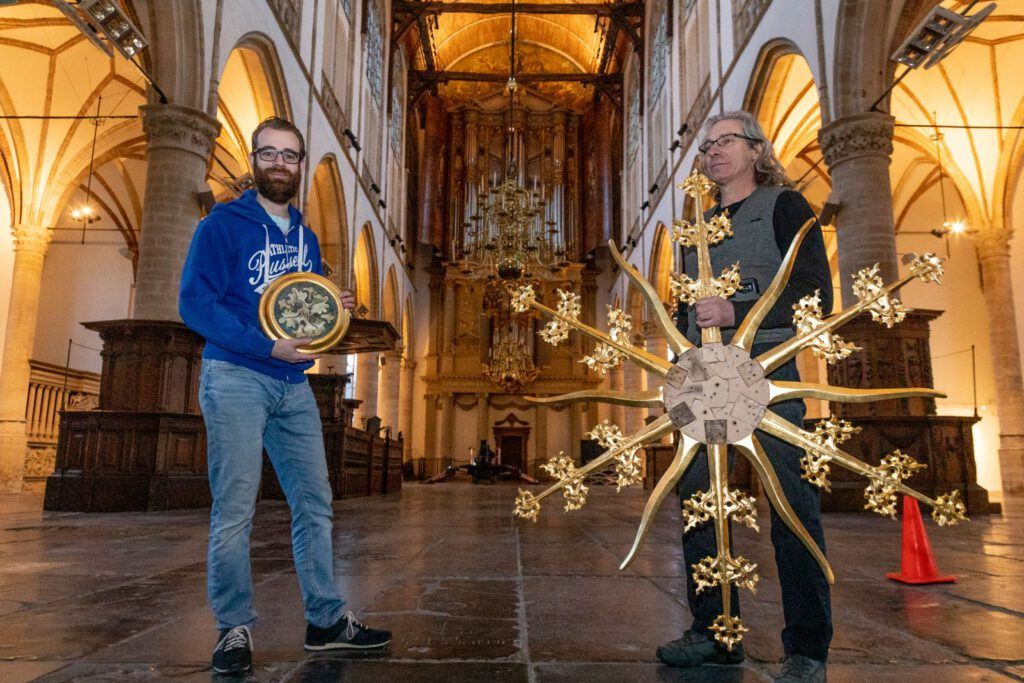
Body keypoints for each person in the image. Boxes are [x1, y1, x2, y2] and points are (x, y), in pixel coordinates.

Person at [179, 116, 391, 676]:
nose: (279, 163)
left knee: (315, 503)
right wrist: (263, 346)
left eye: (290, 155)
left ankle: (324, 620)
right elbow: (195, 305)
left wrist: (332, 305)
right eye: (268, 153)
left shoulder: (307, 237)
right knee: (234, 509)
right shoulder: (222, 225)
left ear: (300, 165)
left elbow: (301, 307)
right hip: (236, 377)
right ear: (254, 161)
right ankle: (234, 627)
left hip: (292, 383)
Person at [657, 111, 833, 683]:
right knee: (700, 510)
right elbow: (687, 312)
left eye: (725, 141)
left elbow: (815, 293)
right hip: (706, 384)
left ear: (757, 149)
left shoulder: (785, 204)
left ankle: (807, 649)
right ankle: (715, 633)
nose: (713, 152)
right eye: (706, 146)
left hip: (769, 375)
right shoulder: (697, 227)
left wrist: (738, 310)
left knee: (791, 509)